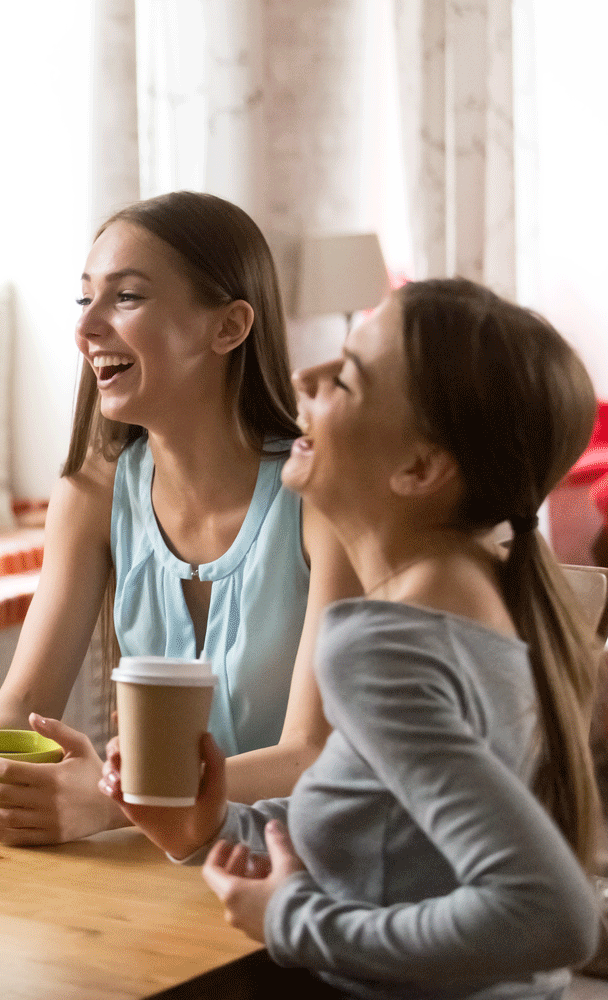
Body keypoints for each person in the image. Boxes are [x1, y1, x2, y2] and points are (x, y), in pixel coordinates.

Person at [103, 278, 601, 998]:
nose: (304, 377)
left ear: (420, 469)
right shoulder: (477, 601)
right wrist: (212, 825)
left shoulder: (382, 645)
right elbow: (395, 840)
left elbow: (551, 915)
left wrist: (292, 918)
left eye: (347, 378)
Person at [0, 192, 360, 845]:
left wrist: (116, 804)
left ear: (228, 327)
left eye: (127, 298)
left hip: (299, 870)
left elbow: (311, 753)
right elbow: (22, 704)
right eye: (86, 300)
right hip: (155, 867)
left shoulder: (321, 497)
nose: (86, 329)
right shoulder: (92, 495)